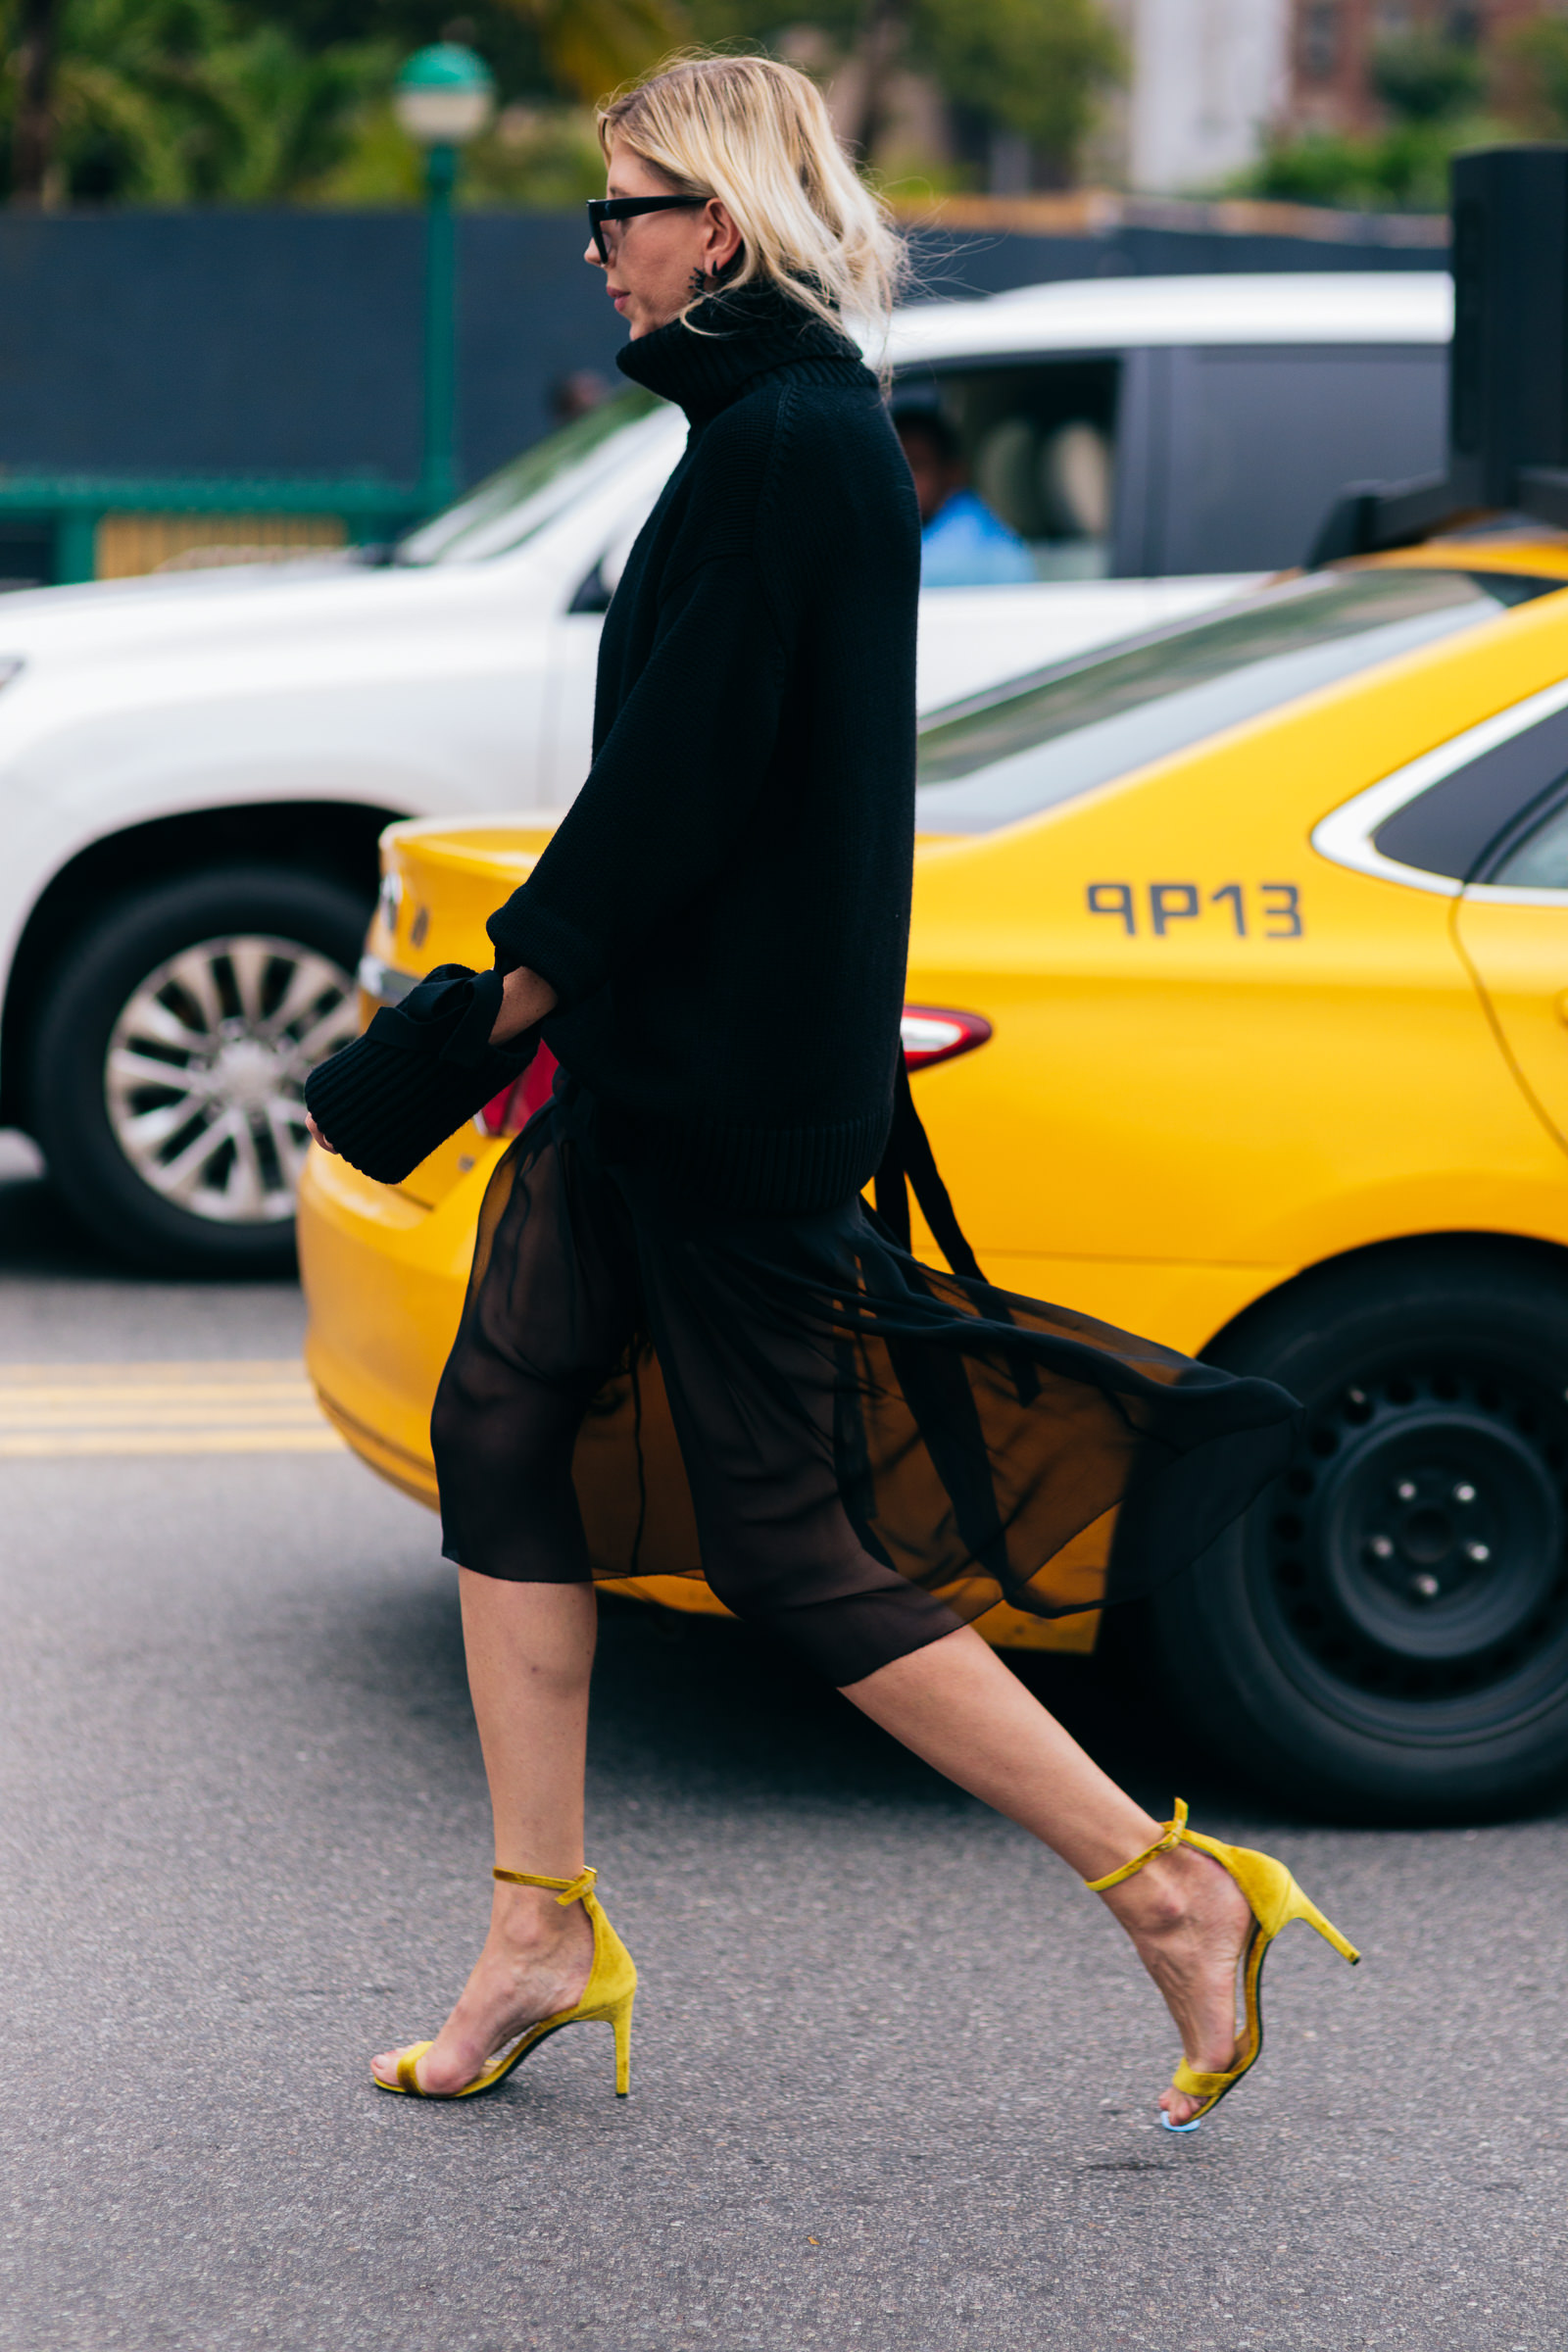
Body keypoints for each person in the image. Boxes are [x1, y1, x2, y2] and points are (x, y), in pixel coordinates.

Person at [316, 52, 1356, 2132]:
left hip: (711, 1090)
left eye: (616, 210)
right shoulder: (762, 432)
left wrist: (469, 1019)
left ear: (711, 220)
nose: (593, 255)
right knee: (502, 1421)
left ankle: (1163, 1889)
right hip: (660, 1071)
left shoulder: (790, 442)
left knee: (789, 1544)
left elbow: (677, 805)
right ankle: (537, 1931)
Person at [893, 405, 1036, 586]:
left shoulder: (969, 541)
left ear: (952, 474)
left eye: (916, 466)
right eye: (891, 467)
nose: (898, 480)